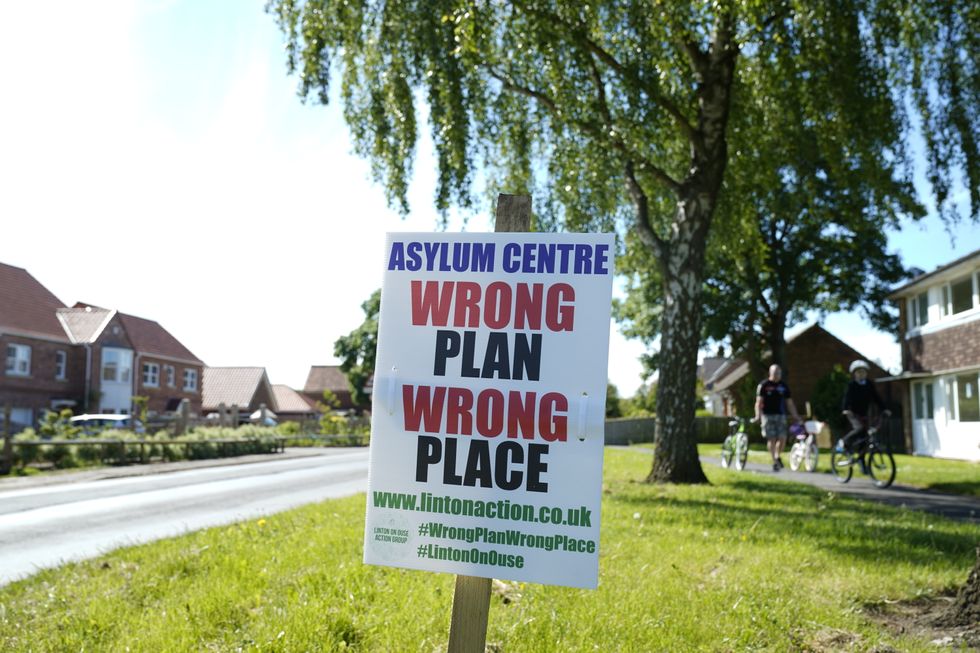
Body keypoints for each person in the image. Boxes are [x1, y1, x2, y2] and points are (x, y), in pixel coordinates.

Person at [755, 364, 802, 471]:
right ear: (770, 373)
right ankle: (775, 461)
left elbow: (789, 403)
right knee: (771, 439)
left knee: (782, 438)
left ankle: (777, 455)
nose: (777, 375)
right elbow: (758, 403)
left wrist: (795, 416)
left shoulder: (783, 386)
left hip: (781, 415)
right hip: (767, 415)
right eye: (775, 373)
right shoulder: (764, 385)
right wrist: (758, 415)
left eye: (779, 373)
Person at [840, 359, 890, 458]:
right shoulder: (852, 385)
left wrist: (884, 409)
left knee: (865, 436)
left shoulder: (869, 385)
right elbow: (847, 398)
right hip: (852, 413)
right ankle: (844, 442)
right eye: (859, 372)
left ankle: (861, 459)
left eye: (863, 372)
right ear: (855, 374)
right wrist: (845, 409)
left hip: (864, 413)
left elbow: (876, 398)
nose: (861, 374)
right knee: (860, 428)